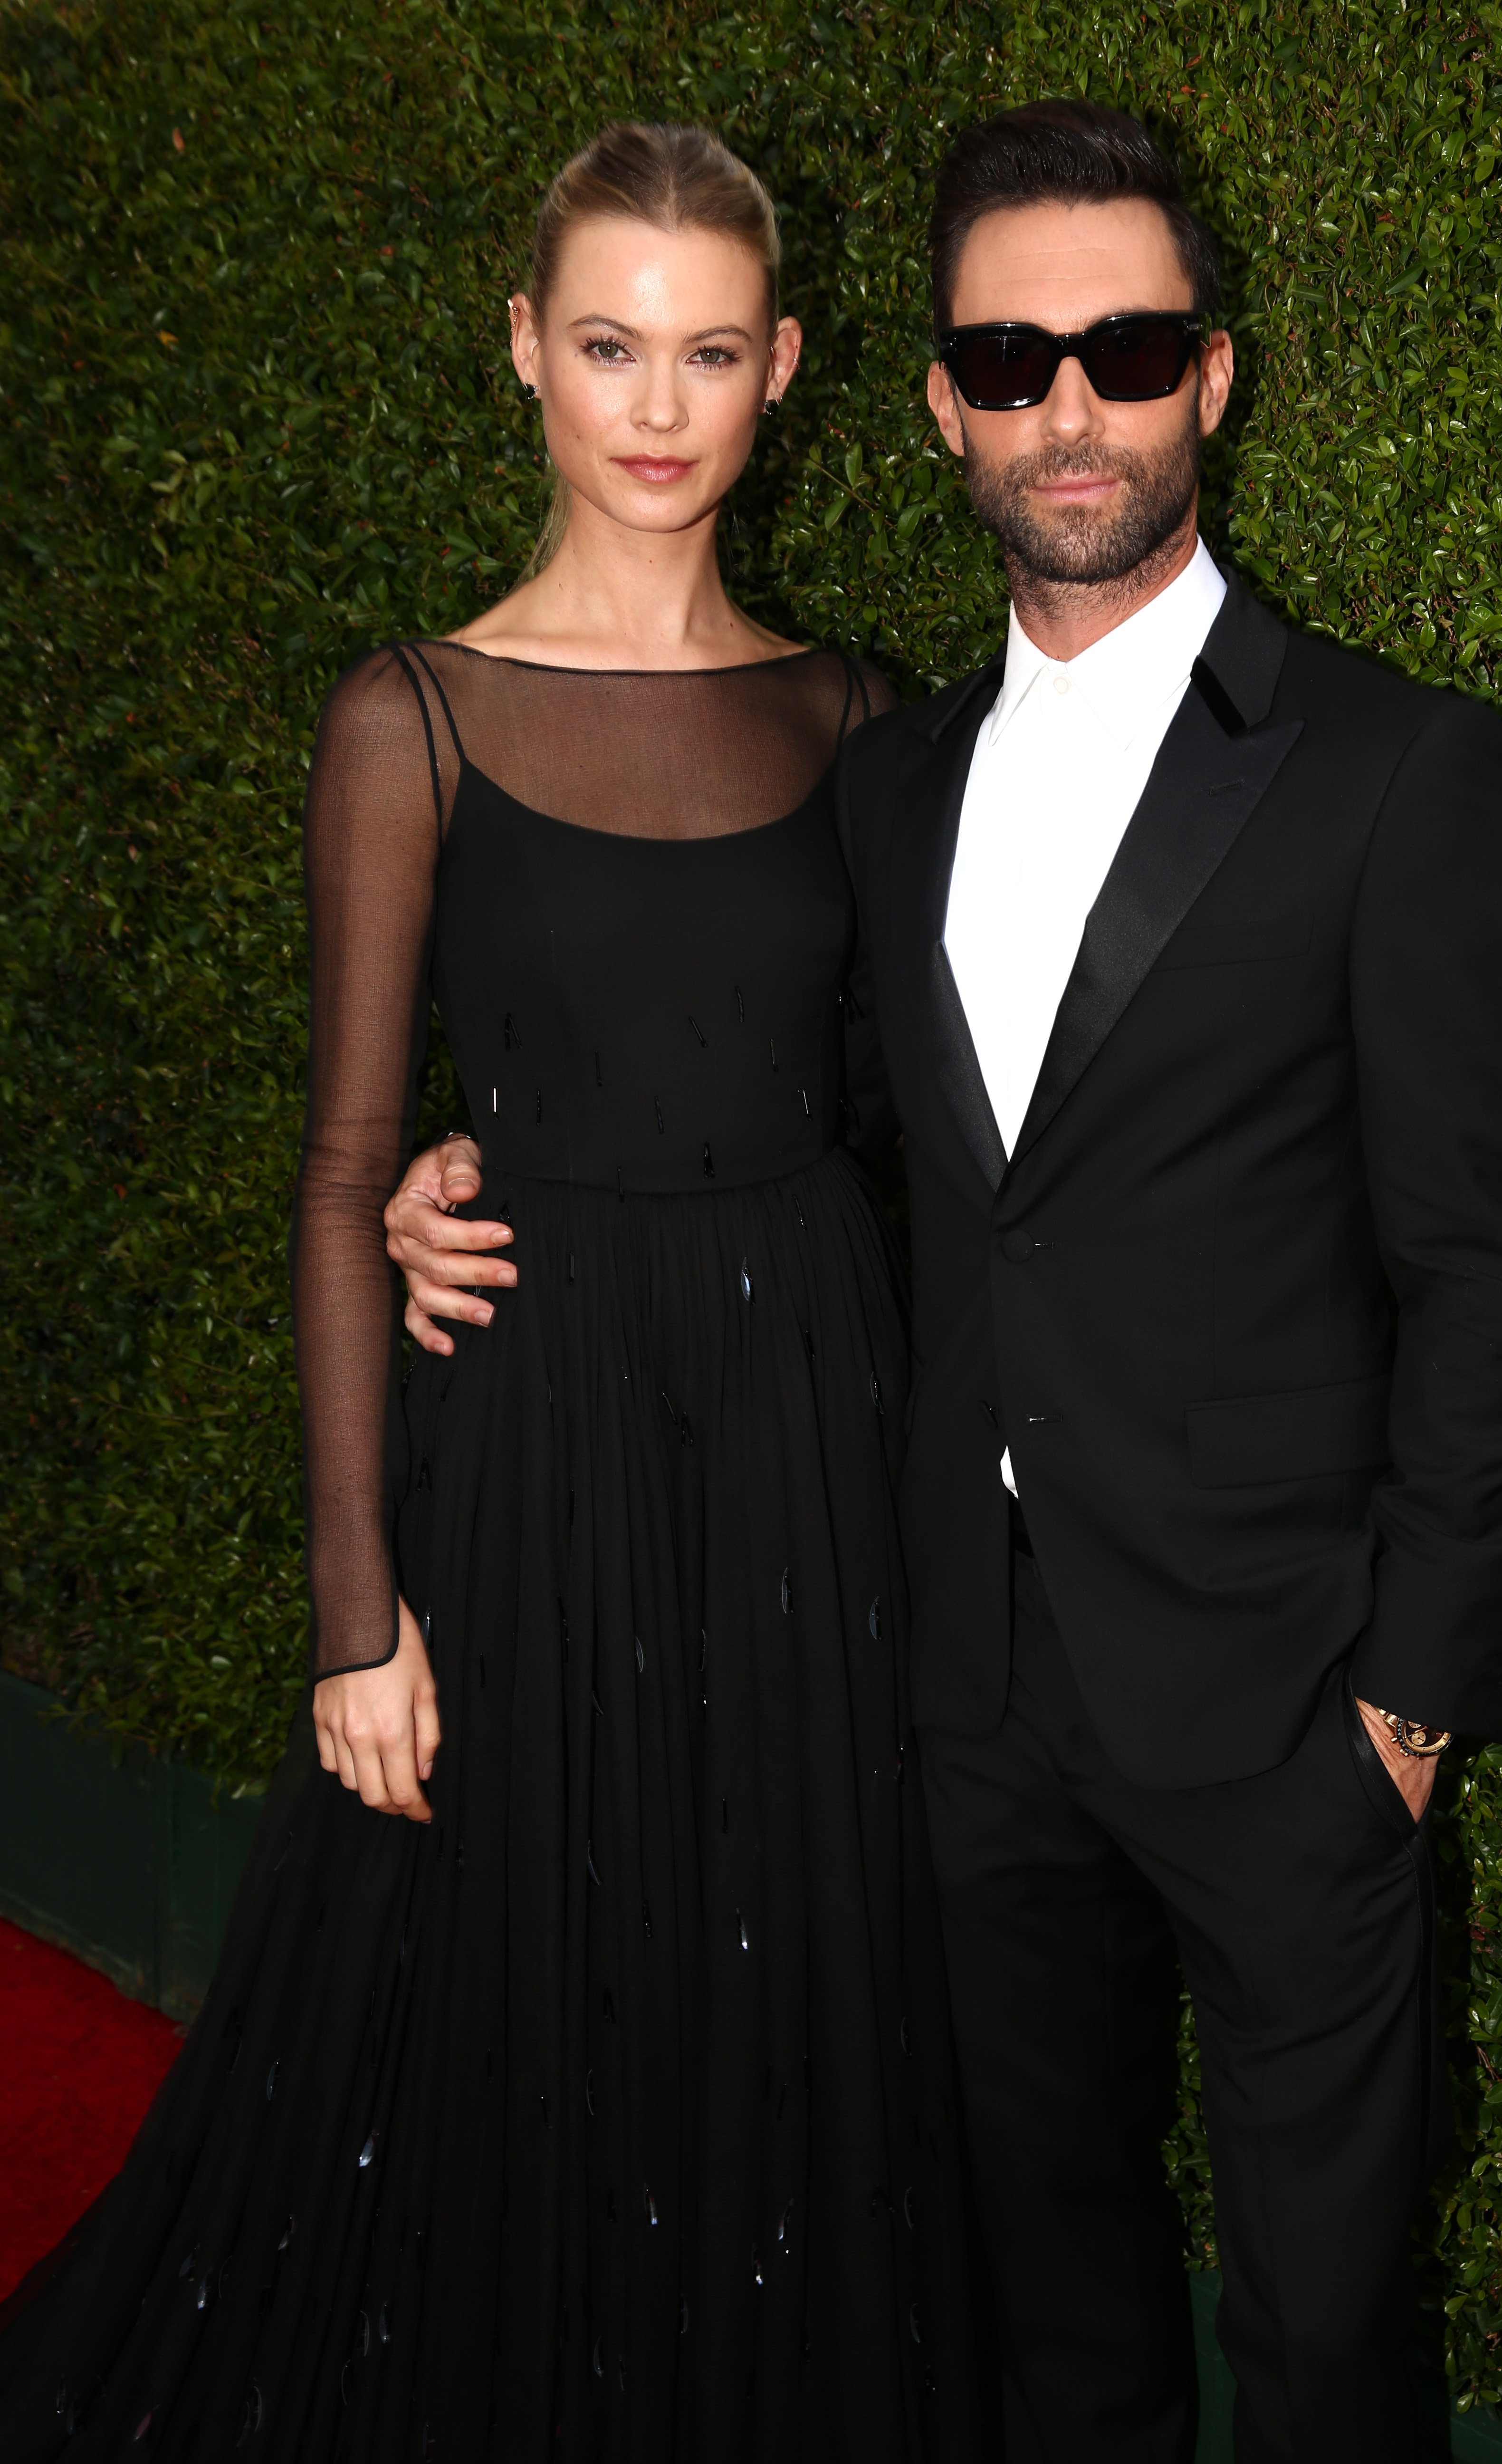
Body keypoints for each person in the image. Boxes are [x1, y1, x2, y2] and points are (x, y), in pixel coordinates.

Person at [397, 98, 1502, 2464]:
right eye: (1014, 356)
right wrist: (453, 1173)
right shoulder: (887, 777)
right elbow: (808, 1146)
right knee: (1054, 2316)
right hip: (963, 1700)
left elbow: (1501, 1273)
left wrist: (1411, 1715)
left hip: (1290, 1716)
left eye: (1128, 350)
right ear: (937, 394)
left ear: (1212, 380)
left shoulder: (1398, 773)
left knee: (1338, 2352)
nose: (1071, 407)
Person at [0, 122, 984, 2464]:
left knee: (783, 1992)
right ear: (526, 353)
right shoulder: (409, 717)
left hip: (801, 1453)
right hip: (528, 1438)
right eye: (613, 344)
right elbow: (347, 1167)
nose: (660, 404)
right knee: (503, 1984)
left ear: (787, 373)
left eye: (713, 351)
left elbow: (895, 1124)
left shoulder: (858, 719)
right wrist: (358, 1610)